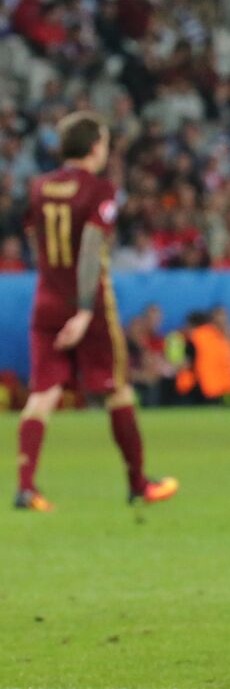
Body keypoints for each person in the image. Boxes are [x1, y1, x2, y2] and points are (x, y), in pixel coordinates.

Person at [15, 111, 178, 511]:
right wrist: (85, 310)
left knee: (43, 393)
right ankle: (138, 483)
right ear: (94, 147)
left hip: (46, 297)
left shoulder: (39, 187)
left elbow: (33, 235)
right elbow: (90, 247)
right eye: (104, 142)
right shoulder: (99, 190)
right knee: (117, 389)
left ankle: (26, 486)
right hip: (86, 303)